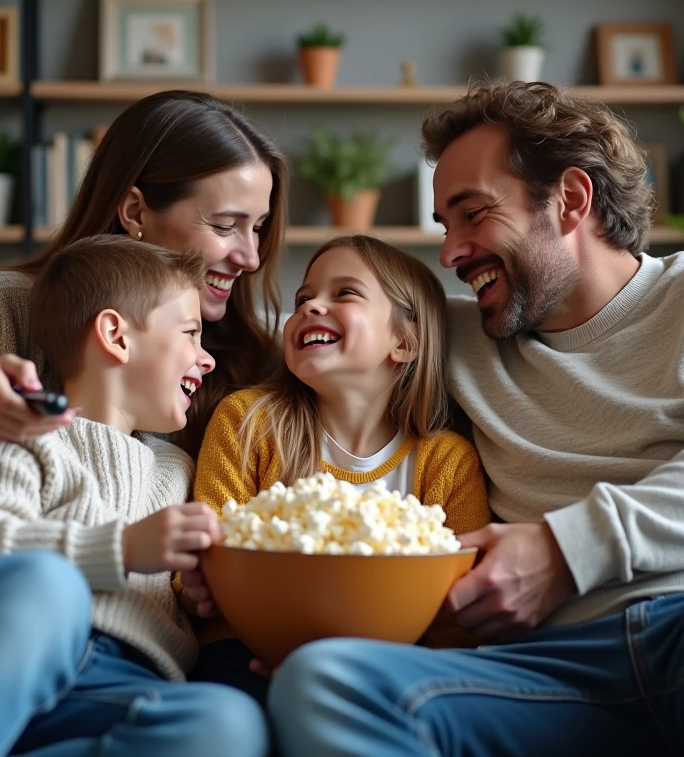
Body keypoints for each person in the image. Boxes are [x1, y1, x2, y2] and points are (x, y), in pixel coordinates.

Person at [267, 82, 684, 756]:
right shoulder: (442, 338)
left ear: (572, 199)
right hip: (570, 671)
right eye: (445, 227)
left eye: (473, 215)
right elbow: (303, 355)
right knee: (324, 683)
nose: (450, 253)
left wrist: (566, 550)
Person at [0, 90, 287, 748]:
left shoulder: (221, 391)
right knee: (44, 590)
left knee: (224, 724)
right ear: (135, 211)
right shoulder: (6, 319)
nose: (252, 256)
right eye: (227, 224)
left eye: (259, 227)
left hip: (101, 681)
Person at [182, 236, 492, 704]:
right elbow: (205, 552)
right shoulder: (248, 422)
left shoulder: (446, 462)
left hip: (393, 662)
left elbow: (457, 613)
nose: (310, 307)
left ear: (405, 342)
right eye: (303, 298)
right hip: (244, 646)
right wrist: (194, 585)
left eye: (344, 293)